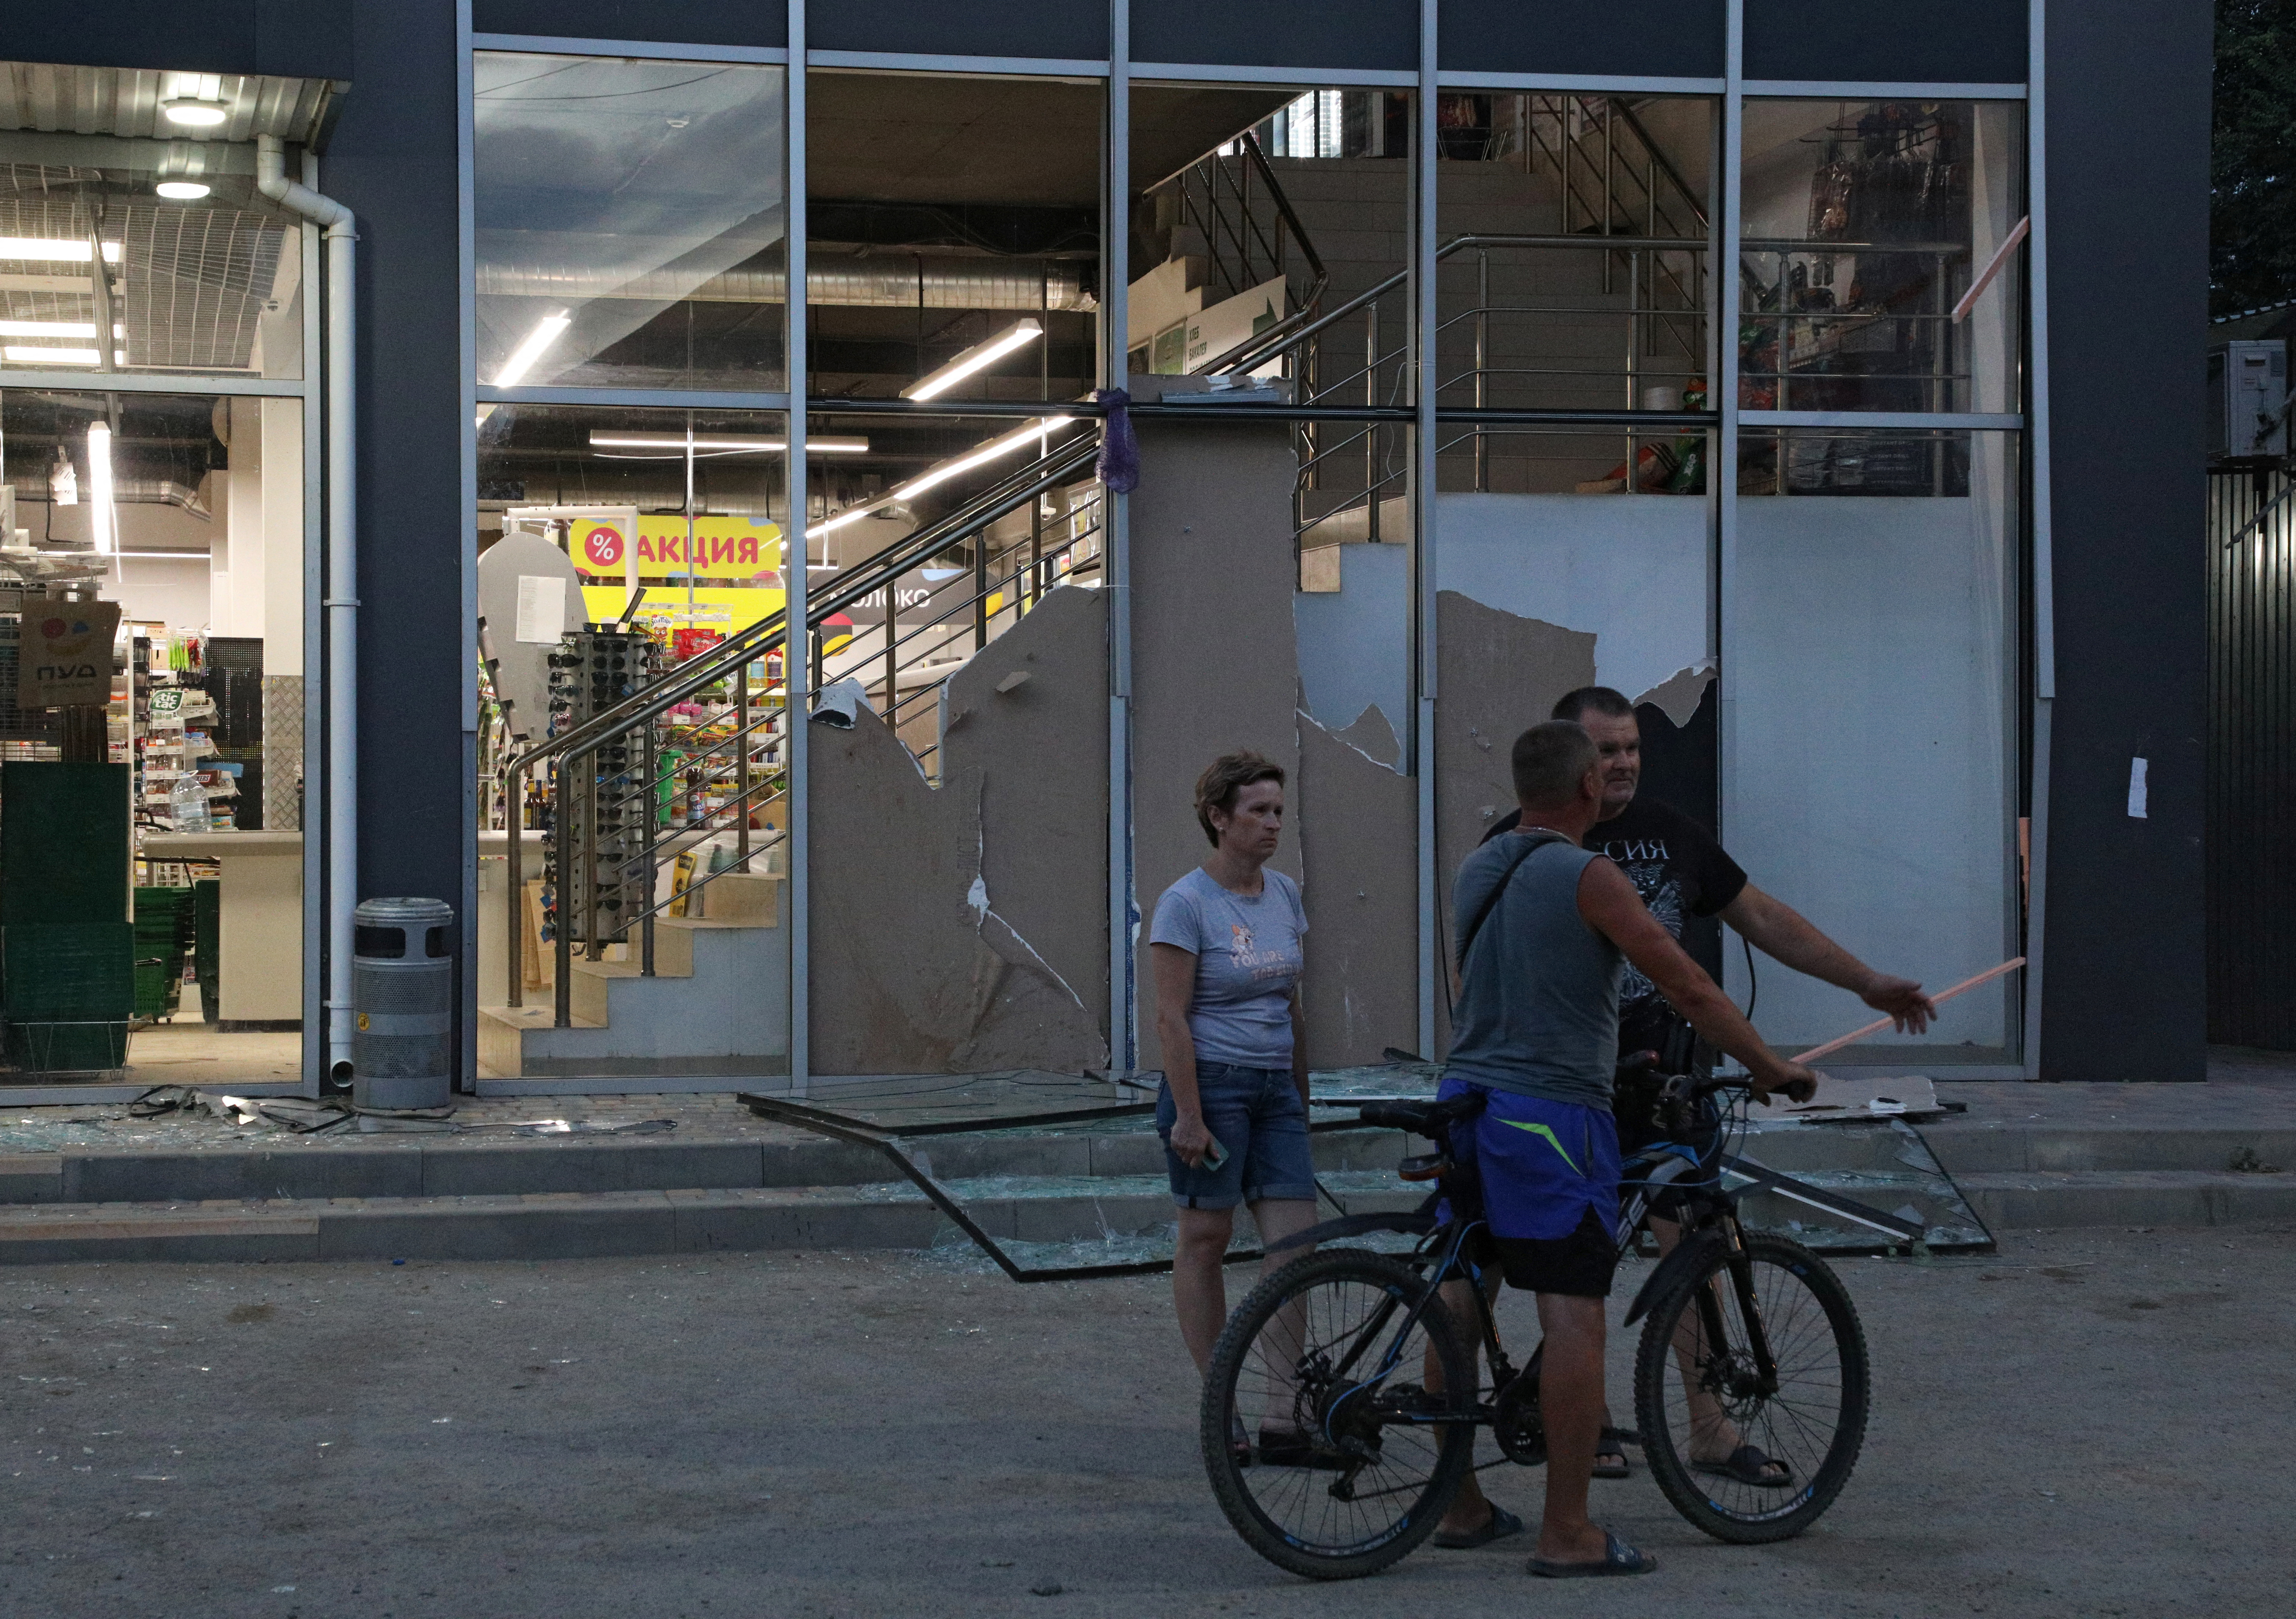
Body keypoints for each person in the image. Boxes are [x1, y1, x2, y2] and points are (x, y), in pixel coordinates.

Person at [1484, 684, 1938, 1481]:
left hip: (1665, 1085)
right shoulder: (1521, 845)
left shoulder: (1672, 833)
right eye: (1606, 750)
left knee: (1694, 1246)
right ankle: (1574, 1422)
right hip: (1564, 1088)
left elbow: (1762, 916)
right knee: (1545, 1262)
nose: (1623, 764)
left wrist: (1866, 981)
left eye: (1633, 747)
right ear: (1573, 759)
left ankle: (1710, 1426)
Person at [1432, 720, 1819, 1579]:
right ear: (1584, 789)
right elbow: (1688, 983)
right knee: (1575, 1312)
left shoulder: (1478, 868)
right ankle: (1567, 1531)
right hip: (1552, 1112)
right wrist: (1769, 1066)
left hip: (1468, 1096)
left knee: (1457, 1292)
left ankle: (1457, 1504)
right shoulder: (1590, 875)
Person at [1149, 750, 1320, 1465]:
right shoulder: (1186, 902)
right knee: (1206, 1237)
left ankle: (1285, 1407)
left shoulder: (1284, 894)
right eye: (1258, 810)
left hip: (1274, 1088)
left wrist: (1301, 1095)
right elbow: (1170, 1017)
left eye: (1279, 810)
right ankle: (1223, 1403)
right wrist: (1189, 1115)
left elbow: (1290, 1001)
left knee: (1295, 1245)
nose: (1273, 823)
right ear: (1219, 818)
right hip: (1211, 1085)